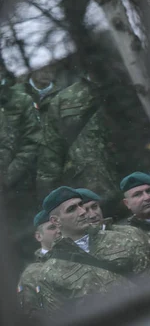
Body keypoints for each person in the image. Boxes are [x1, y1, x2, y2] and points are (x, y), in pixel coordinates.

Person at [20, 187, 150, 316]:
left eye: (80, 205)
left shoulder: (124, 238)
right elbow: (60, 318)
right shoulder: (50, 272)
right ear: (56, 221)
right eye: (72, 209)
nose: (83, 212)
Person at [36, 75, 121, 217]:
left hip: (134, 188)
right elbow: (50, 157)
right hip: (92, 200)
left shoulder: (128, 82)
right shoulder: (63, 100)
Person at [0, 66, 42, 261]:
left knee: (31, 245)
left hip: (20, 190)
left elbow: (33, 141)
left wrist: (8, 177)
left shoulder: (18, 100)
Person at [18, 211, 61, 317]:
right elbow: (30, 315)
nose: (59, 231)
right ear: (38, 236)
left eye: (60, 226)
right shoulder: (31, 274)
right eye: (52, 228)